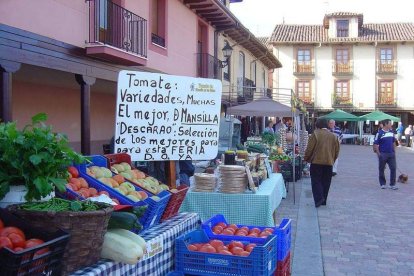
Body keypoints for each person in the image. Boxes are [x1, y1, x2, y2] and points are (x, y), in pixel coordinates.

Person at [304, 118, 340, 207]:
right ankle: (324, 200)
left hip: (316, 162)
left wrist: (306, 158)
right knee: (326, 181)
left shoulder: (315, 134)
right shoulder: (333, 136)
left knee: (316, 181)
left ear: (317, 125)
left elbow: (309, 149)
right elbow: (337, 151)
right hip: (329, 162)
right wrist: (332, 159)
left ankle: (319, 198)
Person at [373, 119, 398, 190]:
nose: (391, 125)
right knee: (381, 169)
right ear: (386, 124)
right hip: (383, 154)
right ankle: (382, 183)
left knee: (393, 168)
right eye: (390, 123)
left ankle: (392, 184)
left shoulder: (391, 132)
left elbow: (393, 142)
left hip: (391, 154)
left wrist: (394, 151)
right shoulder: (379, 133)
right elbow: (375, 144)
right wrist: (379, 154)